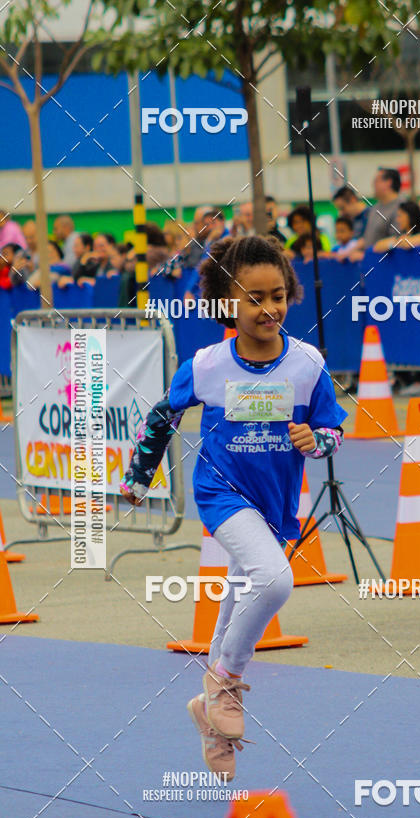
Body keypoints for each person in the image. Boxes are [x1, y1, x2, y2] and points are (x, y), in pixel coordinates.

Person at [120, 235, 347, 779]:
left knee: (245, 588)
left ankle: (210, 720)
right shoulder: (207, 365)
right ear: (226, 304)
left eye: (278, 295)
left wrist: (316, 442)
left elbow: (335, 428)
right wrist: (138, 476)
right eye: (253, 298)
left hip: (275, 501)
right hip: (222, 494)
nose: (269, 308)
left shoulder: (307, 364)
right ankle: (225, 683)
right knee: (274, 581)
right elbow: (161, 416)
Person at [359, 167, 402, 250]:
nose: (372, 185)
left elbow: (398, 240)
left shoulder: (401, 207)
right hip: (371, 259)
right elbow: (367, 239)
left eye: (376, 181)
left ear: (388, 183)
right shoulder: (374, 208)